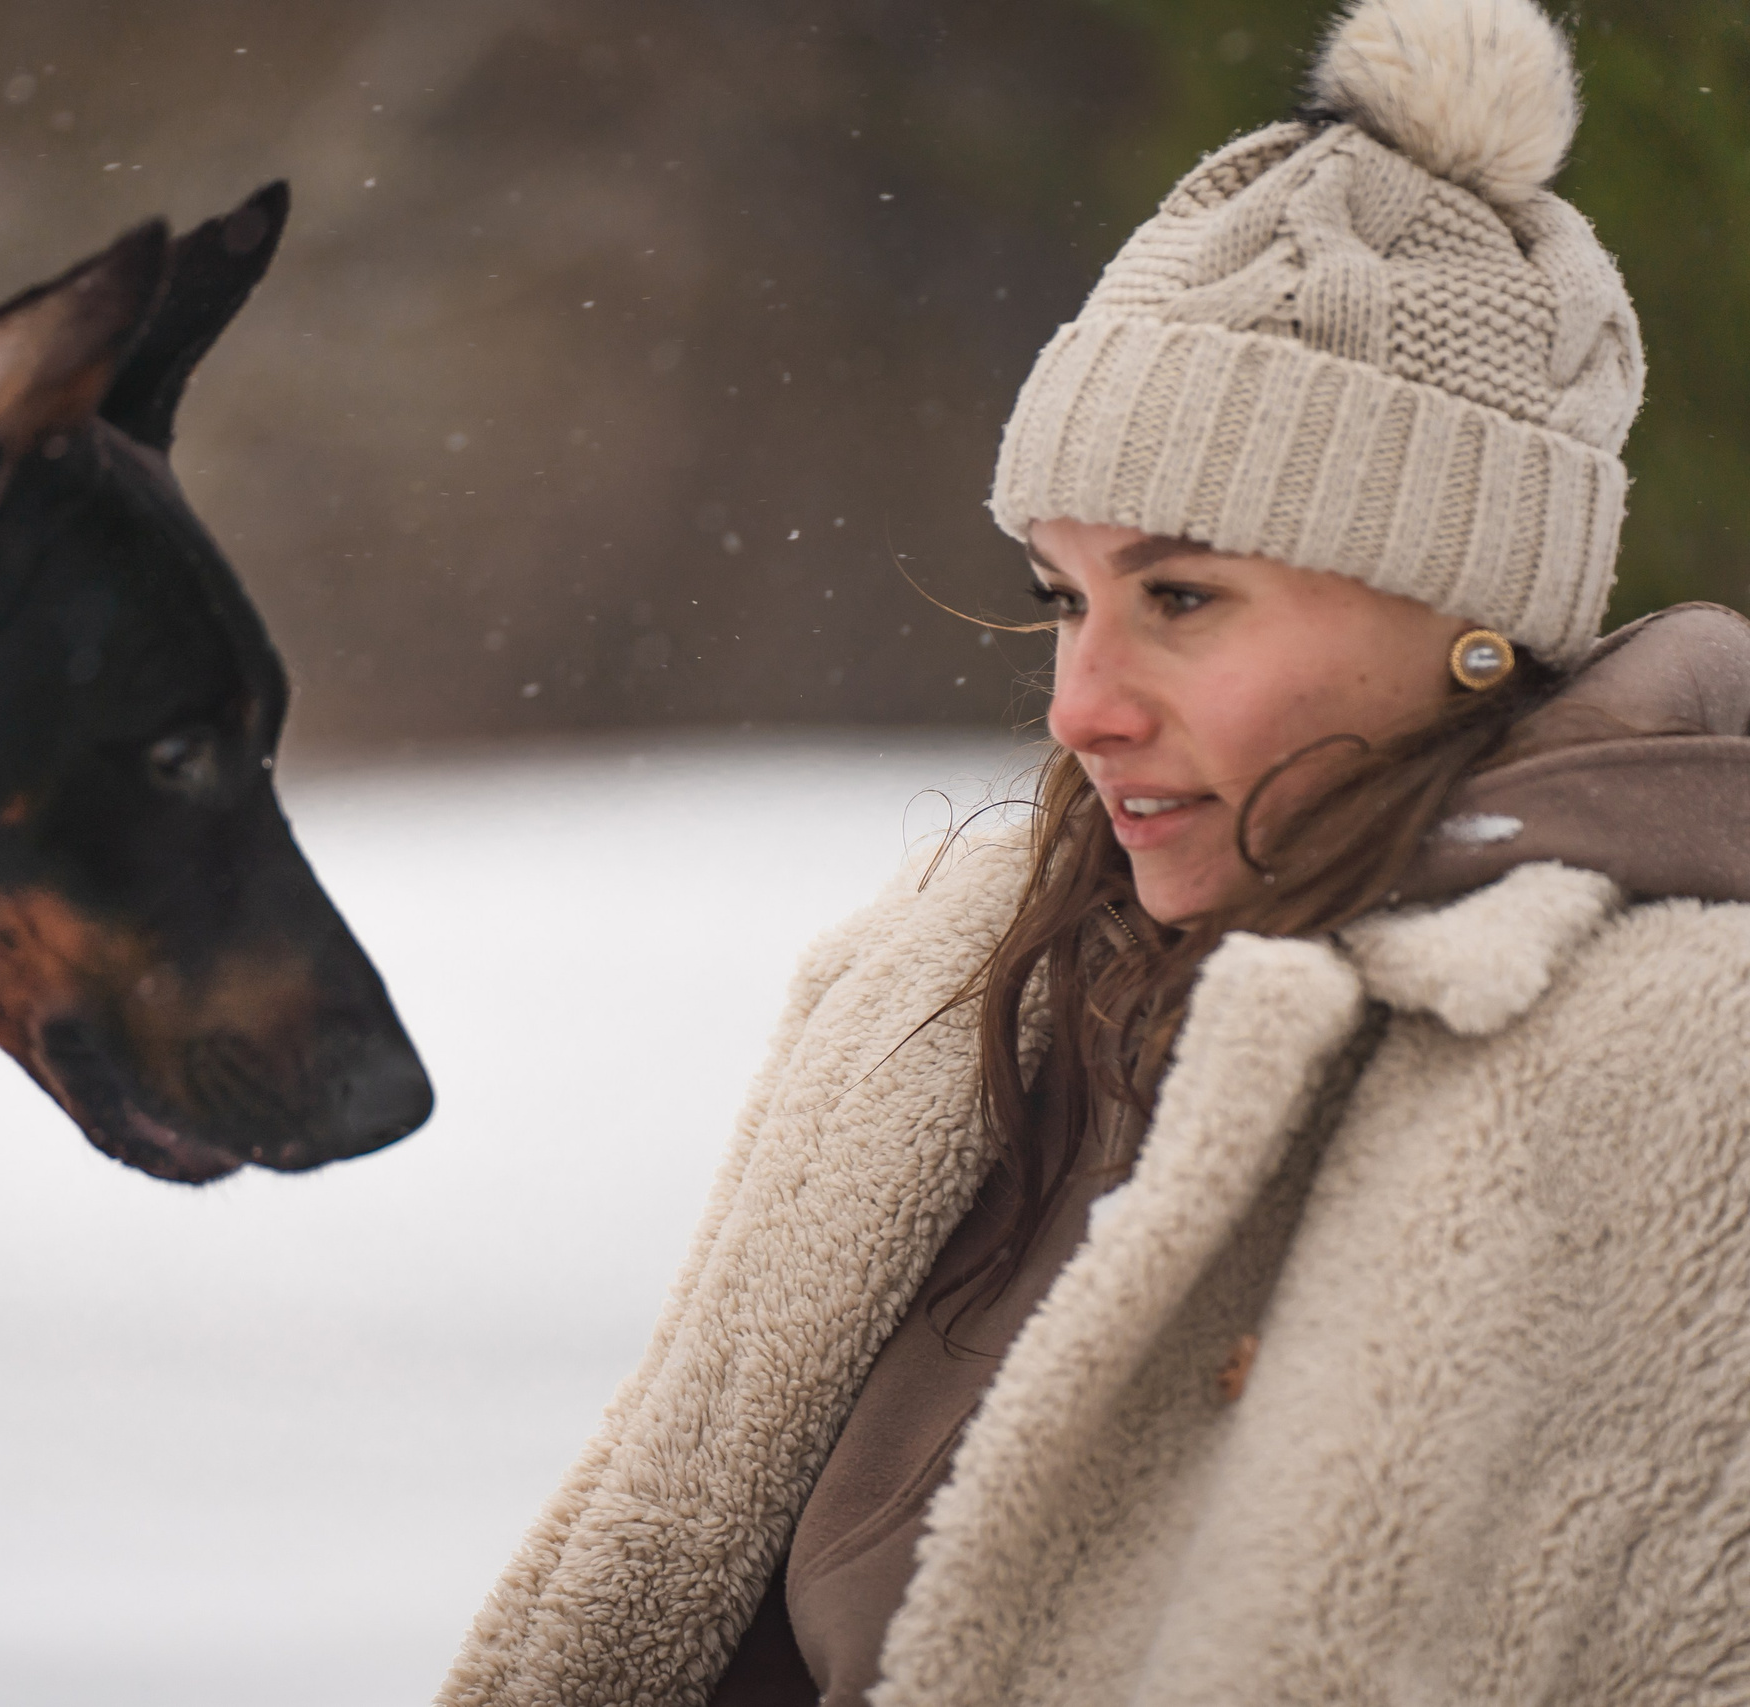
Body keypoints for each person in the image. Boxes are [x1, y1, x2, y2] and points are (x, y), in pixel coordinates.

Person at [437, 0, 1750, 1702]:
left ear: (1471, 610)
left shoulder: (1676, 1070)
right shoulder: (957, 974)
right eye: (1067, 598)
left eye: (1182, 596)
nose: (1083, 706)